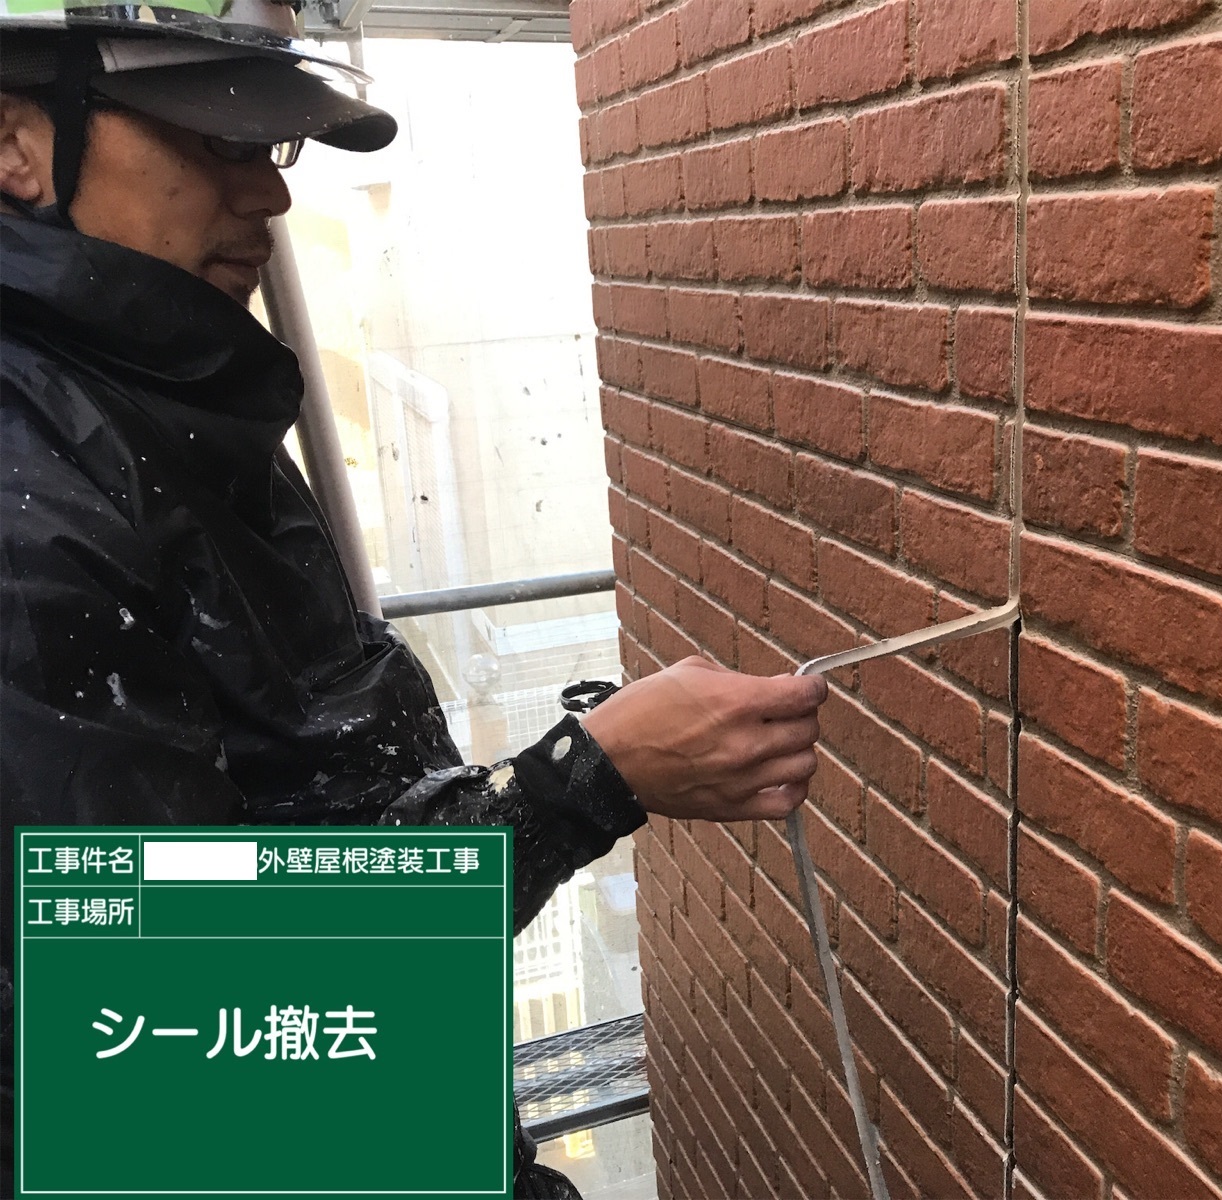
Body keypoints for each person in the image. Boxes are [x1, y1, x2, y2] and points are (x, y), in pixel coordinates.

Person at [0, 3, 827, 1195]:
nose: (270, 196)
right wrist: (585, 780)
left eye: (272, 147)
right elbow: (166, 1012)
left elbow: (297, 823)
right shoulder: (31, 492)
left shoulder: (164, 397)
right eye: (220, 141)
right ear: (18, 144)